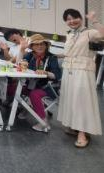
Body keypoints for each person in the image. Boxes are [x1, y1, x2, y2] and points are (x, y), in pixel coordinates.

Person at [57, 9, 104, 148]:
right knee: (70, 99)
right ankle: (74, 126)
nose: (72, 21)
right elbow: (70, 52)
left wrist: (94, 20)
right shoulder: (69, 34)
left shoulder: (89, 32)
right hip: (69, 70)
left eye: (74, 18)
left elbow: (102, 34)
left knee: (82, 101)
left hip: (83, 71)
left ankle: (82, 133)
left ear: (81, 18)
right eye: (68, 19)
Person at [18, 34, 62, 132]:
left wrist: (46, 72)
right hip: (32, 85)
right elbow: (19, 65)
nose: (40, 46)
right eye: (36, 44)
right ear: (32, 47)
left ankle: (43, 122)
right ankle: (27, 108)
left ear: (46, 45)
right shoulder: (30, 55)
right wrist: (21, 50)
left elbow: (57, 76)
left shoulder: (51, 58)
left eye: (42, 44)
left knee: (34, 94)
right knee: (15, 88)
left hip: (49, 87)